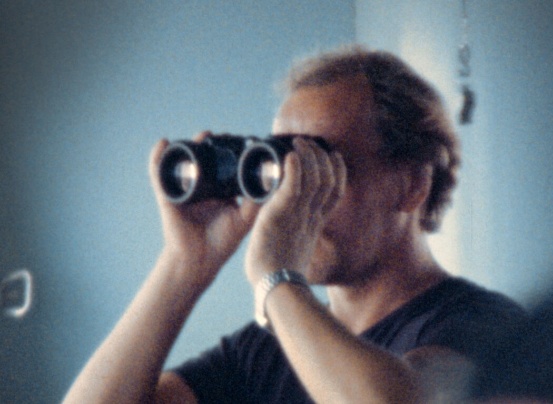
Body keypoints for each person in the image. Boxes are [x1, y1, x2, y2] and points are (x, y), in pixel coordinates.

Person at [63, 45, 526, 403]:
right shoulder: (264, 351)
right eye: (284, 170)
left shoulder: (484, 325)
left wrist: (277, 277)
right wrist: (184, 264)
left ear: (412, 187)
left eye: (321, 172)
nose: (294, 198)